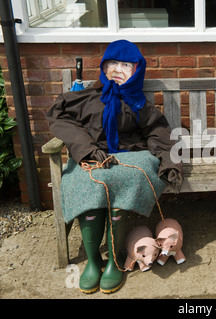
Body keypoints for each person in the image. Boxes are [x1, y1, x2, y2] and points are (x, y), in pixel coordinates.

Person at [46, 40, 183, 293]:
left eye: (126, 65)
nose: (118, 69)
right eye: (112, 63)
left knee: (126, 180)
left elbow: (157, 132)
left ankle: (115, 261)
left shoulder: (138, 103)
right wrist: (87, 149)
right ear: (103, 66)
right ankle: (94, 261)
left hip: (132, 156)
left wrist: (169, 160)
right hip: (92, 156)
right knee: (87, 182)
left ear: (136, 71)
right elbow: (58, 116)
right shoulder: (86, 98)